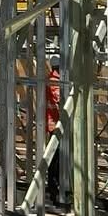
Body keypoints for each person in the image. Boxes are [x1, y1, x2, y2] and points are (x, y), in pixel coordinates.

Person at [45, 54, 62, 204]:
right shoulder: (54, 81)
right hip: (55, 125)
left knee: (55, 160)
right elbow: (59, 99)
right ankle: (54, 192)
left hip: (54, 124)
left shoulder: (53, 78)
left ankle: (54, 191)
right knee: (55, 161)